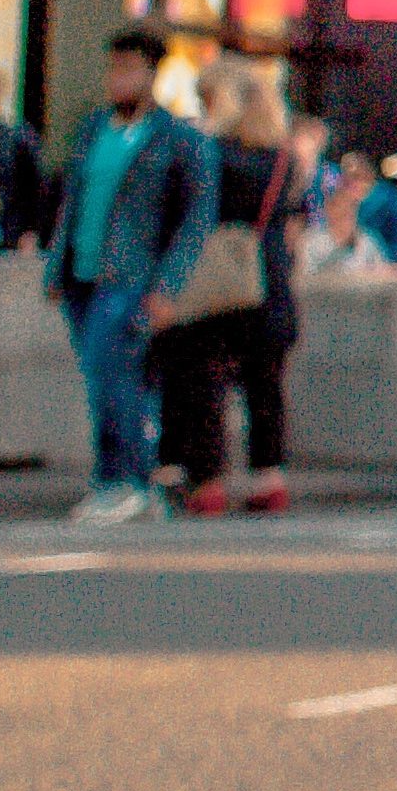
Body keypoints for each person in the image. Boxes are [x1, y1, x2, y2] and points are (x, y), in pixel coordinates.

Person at [45, 28, 216, 524]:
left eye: (128, 69)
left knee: (115, 377)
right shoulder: (94, 129)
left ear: (151, 74)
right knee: (101, 377)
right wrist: (58, 265)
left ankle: (126, 479)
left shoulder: (176, 139)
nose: (117, 79)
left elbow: (195, 218)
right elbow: (72, 201)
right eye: (113, 68)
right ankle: (120, 479)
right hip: (83, 272)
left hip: (131, 277)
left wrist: (168, 285)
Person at [153, 66, 312, 512]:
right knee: (265, 385)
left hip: (214, 283)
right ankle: (269, 478)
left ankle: (207, 483)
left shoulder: (209, 154)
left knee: (203, 381)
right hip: (268, 278)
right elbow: (295, 226)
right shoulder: (284, 159)